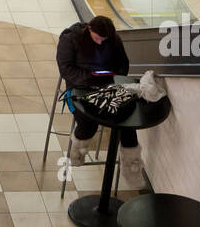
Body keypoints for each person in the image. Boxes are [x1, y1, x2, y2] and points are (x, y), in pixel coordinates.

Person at [55, 15, 143, 186]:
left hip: (106, 87)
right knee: (89, 122)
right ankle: (77, 151)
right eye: (97, 38)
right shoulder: (71, 38)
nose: (101, 42)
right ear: (89, 29)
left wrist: (109, 75)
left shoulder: (114, 40)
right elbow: (66, 68)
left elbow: (123, 65)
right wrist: (89, 78)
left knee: (126, 123)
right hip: (79, 89)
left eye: (105, 40)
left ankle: (132, 167)